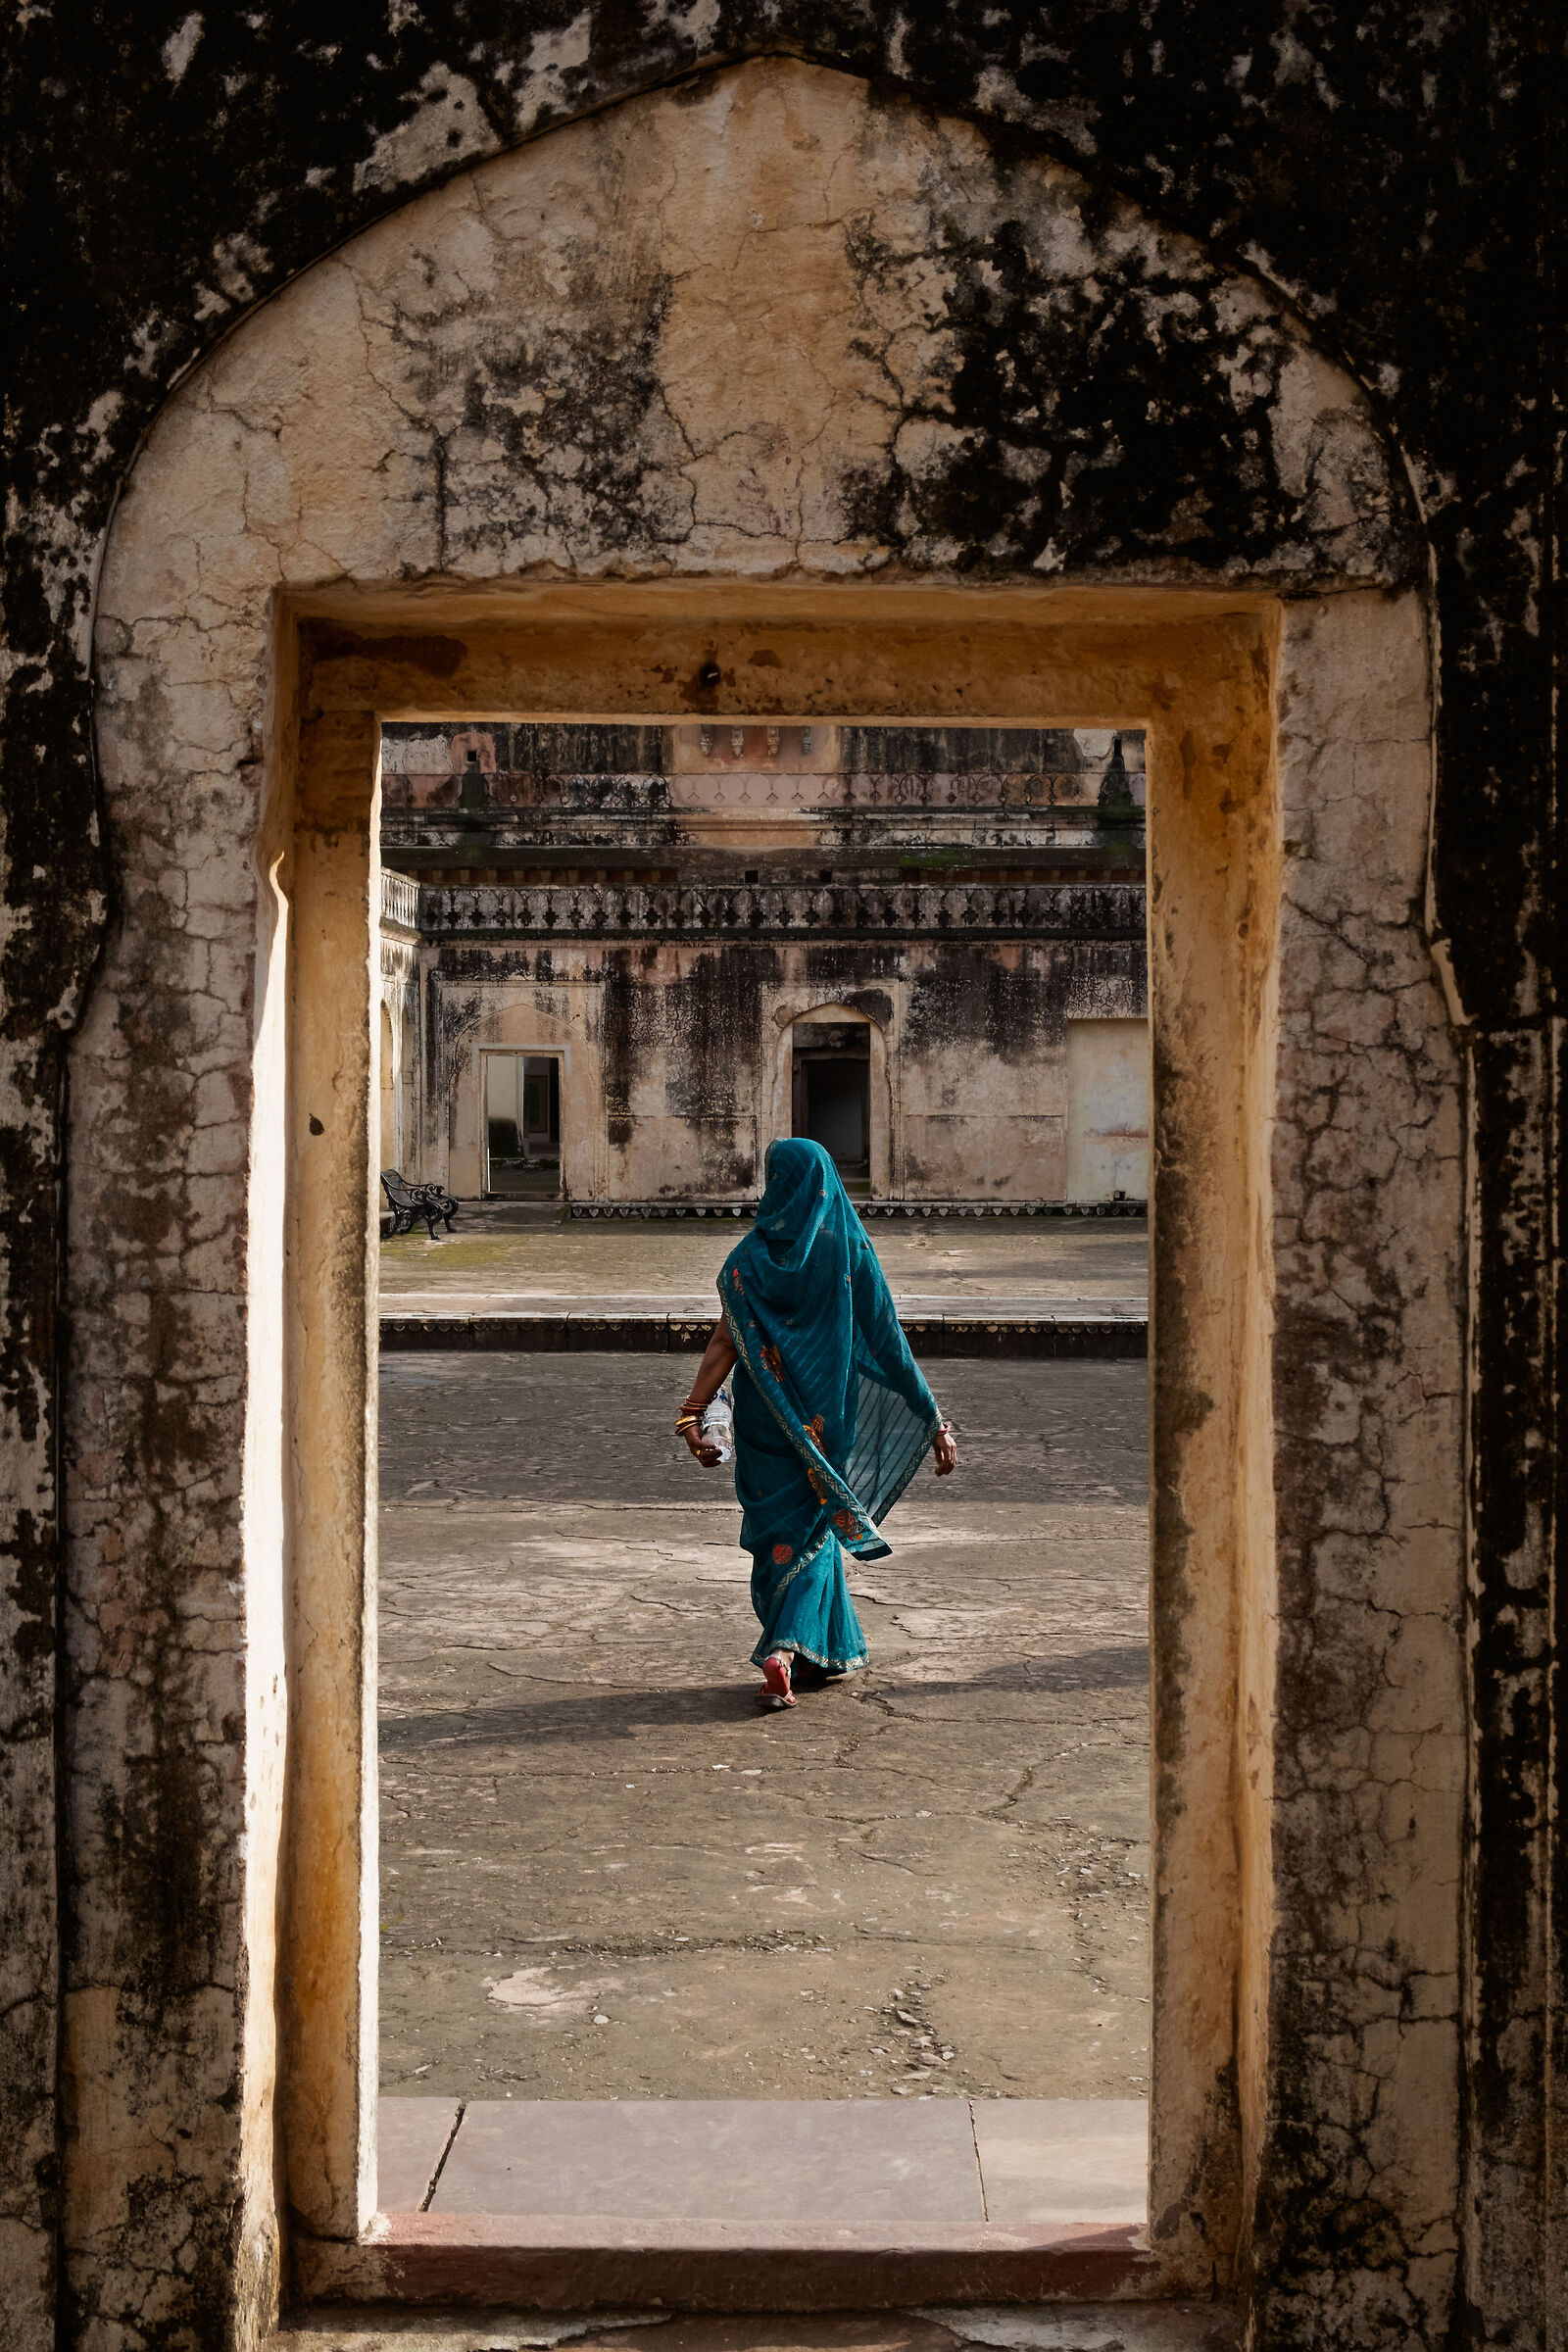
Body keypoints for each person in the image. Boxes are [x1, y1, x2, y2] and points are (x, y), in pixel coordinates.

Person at [676, 1138, 957, 1710]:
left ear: (776, 1184)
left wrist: (693, 1413)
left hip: (762, 1426)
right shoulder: (847, 1249)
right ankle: (784, 1651)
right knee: (813, 1536)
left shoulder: (747, 1260)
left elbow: (724, 1343)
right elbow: (889, 1346)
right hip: (825, 1428)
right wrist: (933, 1421)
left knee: (778, 1540)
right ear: (825, 1183)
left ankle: (804, 1653)